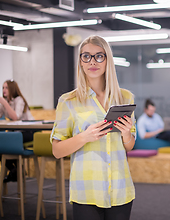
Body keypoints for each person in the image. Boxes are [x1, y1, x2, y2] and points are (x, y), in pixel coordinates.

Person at [51, 35, 135, 220]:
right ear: (80, 62)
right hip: (87, 189)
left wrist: (126, 134)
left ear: (107, 60)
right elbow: (57, 151)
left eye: (99, 56)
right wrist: (84, 137)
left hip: (121, 188)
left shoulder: (125, 98)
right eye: (86, 56)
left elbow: (129, 146)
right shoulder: (68, 101)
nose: (92, 61)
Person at [0, 79, 34, 182]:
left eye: (6, 87)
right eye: (3, 87)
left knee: (9, 142)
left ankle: (16, 171)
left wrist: (3, 102)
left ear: (12, 89)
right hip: (16, 133)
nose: (4, 90)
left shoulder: (19, 100)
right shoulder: (5, 102)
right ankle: (15, 170)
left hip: (29, 131)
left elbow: (16, 116)